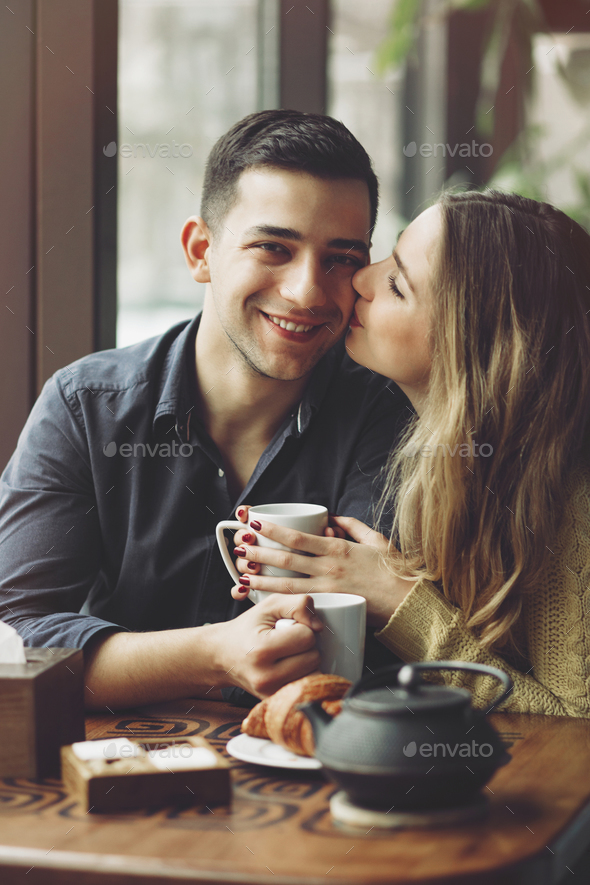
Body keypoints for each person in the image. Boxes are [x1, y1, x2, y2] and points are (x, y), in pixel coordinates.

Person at [0, 110, 409, 710]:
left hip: (325, 775)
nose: (307, 292)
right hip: (120, 775)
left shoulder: (390, 413)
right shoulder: (86, 408)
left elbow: (391, 637)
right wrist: (214, 654)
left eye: (342, 258)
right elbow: (14, 641)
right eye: (273, 247)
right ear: (200, 252)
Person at [230, 189, 590, 718]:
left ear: (473, 345)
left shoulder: (571, 501)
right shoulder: (445, 458)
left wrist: (399, 600)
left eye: (397, 284)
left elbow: (577, 729)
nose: (360, 280)